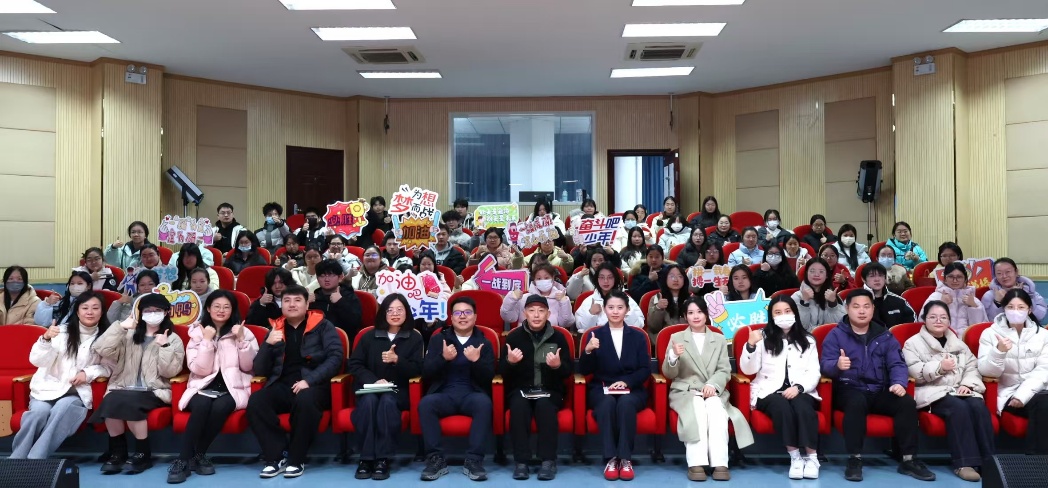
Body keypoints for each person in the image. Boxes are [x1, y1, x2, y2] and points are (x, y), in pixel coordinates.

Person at [821, 290, 935, 482]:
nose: (862, 311)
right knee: (856, 402)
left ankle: (908, 459)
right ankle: (855, 459)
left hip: (880, 389)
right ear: (847, 308)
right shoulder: (836, 335)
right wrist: (837, 365)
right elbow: (824, 364)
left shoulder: (884, 335)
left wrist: (898, 383)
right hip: (849, 389)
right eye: (856, 306)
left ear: (873, 309)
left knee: (906, 403)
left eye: (866, 306)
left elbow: (897, 363)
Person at [248, 285, 343, 479]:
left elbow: (335, 358)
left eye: (297, 300)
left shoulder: (323, 325)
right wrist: (267, 345)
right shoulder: (275, 328)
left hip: (315, 385)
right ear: (281, 305)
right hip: (283, 385)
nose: (292, 305)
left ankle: (296, 459)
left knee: (305, 400)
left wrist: (309, 380)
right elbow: (260, 369)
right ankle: (277, 456)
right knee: (256, 401)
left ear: (307, 304)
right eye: (287, 301)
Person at [167, 291, 258, 483]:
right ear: (208, 308)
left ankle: (198, 453)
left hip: (233, 387)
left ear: (233, 310)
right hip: (203, 385)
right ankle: (183, 459)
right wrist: (207, 341)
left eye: (226, 307)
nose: (221, 310)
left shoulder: (244, 332)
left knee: (221, 406)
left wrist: (241, 340)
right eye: (217, 306)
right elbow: (199, 369)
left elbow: (249, 367)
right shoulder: (197, 333)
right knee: (202, 404)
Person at [92, 293, 186, 475]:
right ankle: (118, 453)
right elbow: (102, 349)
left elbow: (170, 372)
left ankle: (143, 453)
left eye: (157, 310)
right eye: (148, 310)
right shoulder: (128, 334)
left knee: (131, 401)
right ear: (141, 313)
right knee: (111, 399)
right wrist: (120, 327)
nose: (152, 314)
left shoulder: (173, 339)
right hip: (122, 386)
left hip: (155, 390)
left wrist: (164, 346)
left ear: (166, 312)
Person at [10, 291, 111, 459]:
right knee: (37, 414)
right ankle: (17, 459)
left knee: (62, 408)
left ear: (102, 311)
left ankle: (36, 458)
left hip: (76, 392)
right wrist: (45, 339)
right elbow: (37, 360)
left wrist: (87, 373)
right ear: (77, 311)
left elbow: (109, 367)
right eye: (85, 308)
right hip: (47, 389)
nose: (90, 312)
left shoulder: (106, 337)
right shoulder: (61, 332)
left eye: (95, 308)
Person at [902, 301, 994, 482]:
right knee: (958, 408)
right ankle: (964, 463)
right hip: (931, 391)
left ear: (949, 321)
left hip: (959, 389)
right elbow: (914, 371)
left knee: (978, 405)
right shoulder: (912, 344)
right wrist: (939, 367)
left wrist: (968, 385)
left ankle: (989, 462)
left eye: (943, 317)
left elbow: (972, 367)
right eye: (933, 317)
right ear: (924, 319)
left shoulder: (958, 344)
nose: (938, 321)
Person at [738, 296, 821, 479]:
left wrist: (799, 387)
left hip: (801, 390)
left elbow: (814, 372)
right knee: (781, 407)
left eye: (787, 311)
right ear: (771, 316)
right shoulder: (762, 337)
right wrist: (751, 345)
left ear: (795, 313)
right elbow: (748, 369)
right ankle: (795, 457)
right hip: (768, 390)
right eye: (778, 312)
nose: (783, 315)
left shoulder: (808, 340)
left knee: (803, 407)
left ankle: (812, 458)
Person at [347, 293, 424, 481]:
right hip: (370, 388)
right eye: (390, 310)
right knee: (369, 402)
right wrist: (374, 381)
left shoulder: (414, 337)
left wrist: (398, 360)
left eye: (399, 310)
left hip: (398, 390)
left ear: (407, 313)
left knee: (387, 402)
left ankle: (382, 458)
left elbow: (418, 369)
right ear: (383, 313)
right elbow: (355, 364)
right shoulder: (369, 336)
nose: (395, 314)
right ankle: (366, 459)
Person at [418, 296, 495, 482]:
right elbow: (426, 372)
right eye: (458, 313)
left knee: (484, 404)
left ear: (475, 317)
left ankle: (474, 460)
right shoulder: (439, 339)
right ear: (451, 317)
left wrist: (476, 361)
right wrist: (443, 358)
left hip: (472, 395)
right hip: (444, 394)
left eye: (467, 312)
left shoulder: (484, 342)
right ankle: (435, 460)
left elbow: (489, 377)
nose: (462, 316)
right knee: (426, 404)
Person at [579, 291, 652, 481]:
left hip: (632, 388)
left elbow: (645, 369)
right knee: (607, 403)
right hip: (601, 387)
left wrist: (627, 382)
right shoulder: (595, 335)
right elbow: (584, 370)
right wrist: (588, 351)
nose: (615, 311)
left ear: (627, 310)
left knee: (626, 403)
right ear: (604, 309)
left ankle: (625, 459)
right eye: (611, 307)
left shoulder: (637, 336)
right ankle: (611, 458)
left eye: (620, 308)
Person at [503, 295, 573, 481]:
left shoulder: (558, 337)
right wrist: (510, 362)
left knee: (545, 406)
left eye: (541, 311)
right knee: (519, 407)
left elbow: (568, 371)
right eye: (532, 311)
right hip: (521, 390)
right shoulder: (514, 337)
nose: (536, 315)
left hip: (550, 390)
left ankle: (548, 461)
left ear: (548, 314)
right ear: (524, 313)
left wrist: (558, 366)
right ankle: (521, 462)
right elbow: (501, 371)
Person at [977, 289, 1048, 455]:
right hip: (1008, 392)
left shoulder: (1043, 335)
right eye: (1010, 307)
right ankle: (1038, 461)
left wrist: (1022, 395)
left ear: (1029, 310)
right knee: (1045, 404)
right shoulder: (990, 333)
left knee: (1043, 400)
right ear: (1004, 309)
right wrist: (999, 351)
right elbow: (986, 371)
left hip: (1037, 390)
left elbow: (1044, 369)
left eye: (1021, 307)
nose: (1016, 311)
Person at [572, 262, 646, 334]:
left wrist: (628, 313)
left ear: (615, 279)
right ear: (597, 279)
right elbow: (582, 329)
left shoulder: (626, 300)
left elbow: (639, 326)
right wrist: (591, 314)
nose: (606, 281)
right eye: (602, 277)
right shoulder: (590, 301)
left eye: (610, 277)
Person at [501, 264, 574, 329]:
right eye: (539, 278)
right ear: (534, 280)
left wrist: (564, 302)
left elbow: (566, 323)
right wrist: (512, 298)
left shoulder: (559, 299)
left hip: (551, 337)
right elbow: (508, 318)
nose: (543, 281)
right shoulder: (524, 298)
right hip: (525, 337)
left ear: (553, 278)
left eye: (546, 278)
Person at [926, 262, 988, 337]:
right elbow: (923, 321)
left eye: (959, 277)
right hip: (941, 338)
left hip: (965, 339)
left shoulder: (973, 299)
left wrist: (973, 306)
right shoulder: (935, 296)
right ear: (945, 279)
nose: (955, 281)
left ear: (965, 279)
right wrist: (941, 304)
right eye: (951, 277)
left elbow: (980, 328)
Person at [309, 259, 363, 343]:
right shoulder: (314, 298)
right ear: (317, 278)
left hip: (342, 341)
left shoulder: (349, 296)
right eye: (322, 276)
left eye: (331, 275)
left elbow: (355, 323)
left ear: (340, 277)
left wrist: (340, 302)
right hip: (316, 342)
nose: (326, 279)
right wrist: (306, 306)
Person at [983, 258, 1047, 322]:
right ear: (995, 275)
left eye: (1008, 272)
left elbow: (1040, 316)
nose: (1004, 276)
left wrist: (1022, 296)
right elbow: (987, 321)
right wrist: (997, 303)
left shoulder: (1029, 291)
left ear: (1016, 272)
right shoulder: (989, 295)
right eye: (999, 273)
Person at [791, 259, 844, 331]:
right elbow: (798, 327)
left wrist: (833, 305)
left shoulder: (832, 295)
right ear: (806, 274)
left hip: (829, 336)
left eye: (821, 271)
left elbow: (840, 325)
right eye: (812, 271)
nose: (816, 275)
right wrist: (804, 303)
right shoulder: (797, 296)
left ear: (827, 275)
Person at [646, 264, 690, 347]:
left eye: (680, 276)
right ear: (665, 278)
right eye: (672, 276)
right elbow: (653, 327)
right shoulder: (657, 298)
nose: (676, 280)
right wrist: (658, 308)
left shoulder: (690, 299)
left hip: (687, 341)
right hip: (664, 342)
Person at [861, 263, 915, 327]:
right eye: (872, 276)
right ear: (863, 279)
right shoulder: (856, 301)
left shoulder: (899, 301)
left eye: (880, 275)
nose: (877, 279)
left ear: (885, 278)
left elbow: (911, 325)